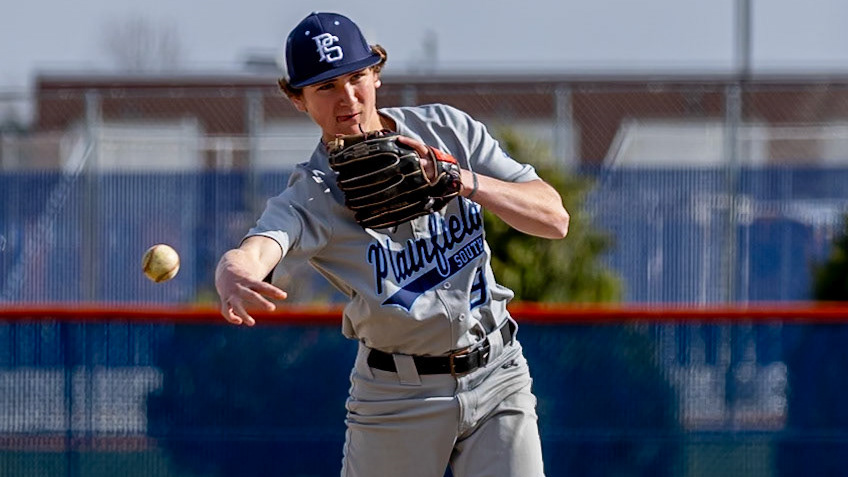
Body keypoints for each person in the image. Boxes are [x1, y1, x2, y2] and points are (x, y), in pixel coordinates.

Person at [215, 11, 569, 477]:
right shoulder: (314, 193)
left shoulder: (447, 130)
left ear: (376, 74)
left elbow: (554, 217)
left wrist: (461, 180)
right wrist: (233, 267)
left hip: (497, 373)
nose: (347, 97)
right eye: (326, 86)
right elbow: (263, 244)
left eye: (356, 77)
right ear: (298, 99)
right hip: (397, 397)